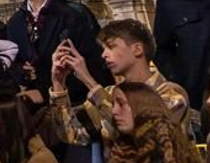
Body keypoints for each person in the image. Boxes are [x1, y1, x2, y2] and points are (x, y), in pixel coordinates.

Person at [50, 18, 190, 145]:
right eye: (103, 49)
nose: (104, 54)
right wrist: (58, 83)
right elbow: (71, 133)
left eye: (111, 47)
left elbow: (142, 135)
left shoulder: (171, 93)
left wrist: (88, 81)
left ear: (137, 49)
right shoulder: (110, 93)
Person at [6, 0, 109, 104]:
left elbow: (95, 62)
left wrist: (46, 93)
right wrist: (21, 71)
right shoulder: (15, 22)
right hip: (36, 109)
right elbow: (13, 63)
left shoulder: (73, 14)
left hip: (78, 101)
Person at [100, 83, 210, 163]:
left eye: (121, 104)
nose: (114, 111)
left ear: (142, 107)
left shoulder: (167, 156)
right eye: (113, 104)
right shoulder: (119, 155)